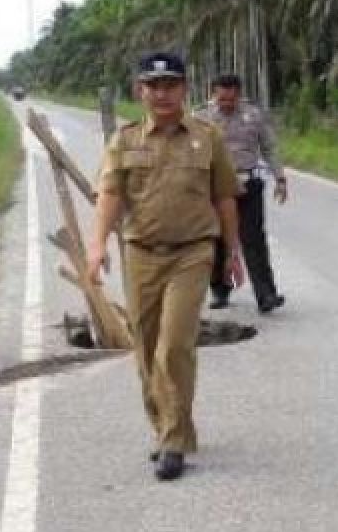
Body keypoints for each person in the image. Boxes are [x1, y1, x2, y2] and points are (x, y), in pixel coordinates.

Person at [88, 52, 244, 482]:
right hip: (141, 254)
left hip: (192, 253)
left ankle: (174, 440)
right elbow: (110, 196)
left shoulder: (206, 138)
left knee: (174, 344)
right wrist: (97, 244)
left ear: (184, 90)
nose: (162, 94)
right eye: (152, 86)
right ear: (141, 91)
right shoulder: (125, 140)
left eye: (170, 85)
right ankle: (163, 428)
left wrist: (233, 252)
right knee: (147, 347)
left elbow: (225, 198)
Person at [197, 73, 288, 314]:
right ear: (214, 94)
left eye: (231, 99)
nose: (226, 104)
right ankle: (219, 290)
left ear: (238, 95)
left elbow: (269, 147)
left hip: (249, 183)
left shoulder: (254, 116)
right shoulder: (201, 118)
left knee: (254, 239)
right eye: (222, 99)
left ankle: (266, 294)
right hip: (216, 187)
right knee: (217, 238)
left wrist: (279, 177)